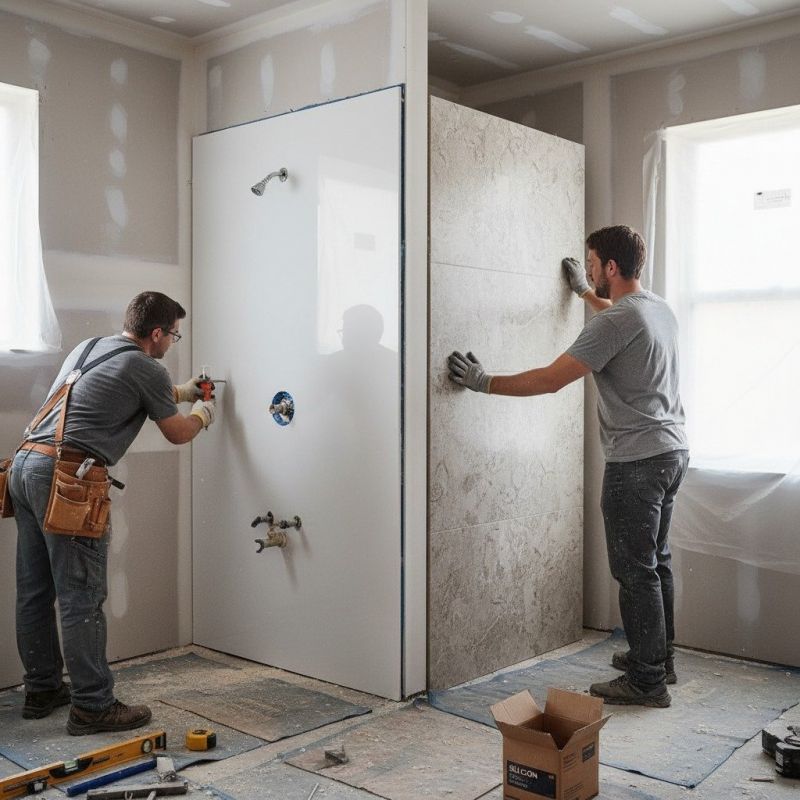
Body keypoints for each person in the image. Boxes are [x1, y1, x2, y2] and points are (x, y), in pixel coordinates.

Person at [447, 225, 688, 708]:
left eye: (593, 264)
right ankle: (658, 660)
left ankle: (647, 681)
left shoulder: (614, 322)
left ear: (611, 267)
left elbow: (550, 379)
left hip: (636, 463)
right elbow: (617, 320)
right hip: (671, 452)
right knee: (654, 562)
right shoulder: (656, 308)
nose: (590, 270)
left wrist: (483, 381)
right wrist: (582, 292)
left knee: (635, 571)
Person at [9, 291, 217, 734]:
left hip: (24, 466)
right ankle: (92, 706)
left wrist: (180, 392)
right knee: (81, 596)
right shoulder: (147, 367)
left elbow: (116, 393)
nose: (173, 342)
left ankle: (42, 689)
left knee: (35, 591)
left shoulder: (91, 347)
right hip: (67, 479)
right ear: (156, 333)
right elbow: (177, 433)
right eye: (174, 335)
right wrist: (202, 413)